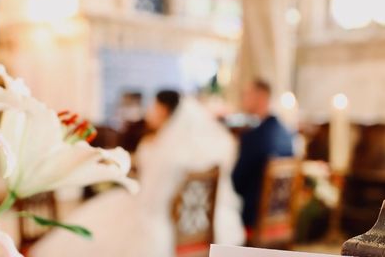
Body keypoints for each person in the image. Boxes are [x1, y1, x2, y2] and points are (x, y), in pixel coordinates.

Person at [30, 90, 245, 257]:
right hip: (202, 225)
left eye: (154, 106)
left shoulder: (159, 150)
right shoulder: (193, 152)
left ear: (163, 110)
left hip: (158, 220)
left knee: (98, 223)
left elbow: (150, 199)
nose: (150, 111)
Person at [232, 79, 294, 231]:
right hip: (279, 217)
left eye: (247, 94)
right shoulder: (286, 133)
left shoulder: (254, 137)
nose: (243, 98)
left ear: (261, 97)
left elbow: (236, 183)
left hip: (253, 218)